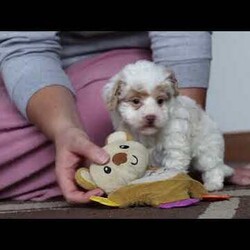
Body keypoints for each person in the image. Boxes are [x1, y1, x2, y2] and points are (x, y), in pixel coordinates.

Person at [0, 31, 248, 204]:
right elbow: (24, 46)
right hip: (42, 76)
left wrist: (188, 139)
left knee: (108, 127)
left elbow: (181, 37)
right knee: (106, 140)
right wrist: (64, 129)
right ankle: (114, 167)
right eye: (138, 102)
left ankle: (124, 169)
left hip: (127, 61)